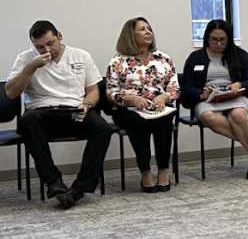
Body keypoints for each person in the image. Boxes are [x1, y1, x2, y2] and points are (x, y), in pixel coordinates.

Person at [5, 20, 113, 209]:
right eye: (39, 46)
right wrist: (31, 67)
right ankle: (54, 182)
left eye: (50, 43)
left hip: (74, 109)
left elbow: (93, 91)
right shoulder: (25, 59)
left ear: (59, 36)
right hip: (42, 112)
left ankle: (80, 188)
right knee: (28, 121)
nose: (46, 49)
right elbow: (11, 93)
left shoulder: (80, 55)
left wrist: (87, 105)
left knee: (102, 128)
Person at [179, 19, 248, 180]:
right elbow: (186, 87)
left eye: (222, 40)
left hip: (236, 97)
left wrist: (239, 84)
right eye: (214, 39)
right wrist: (200, 93)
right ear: (207, 38)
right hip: (207, 100)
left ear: (229, 39)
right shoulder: (196, 57)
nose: (218, 43)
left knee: (238, 115)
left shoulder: (240, 55)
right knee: (208, 117)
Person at [106, 17, 179, 192]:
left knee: (164, 119)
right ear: (131, 35)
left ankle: (163, 170)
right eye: (142, 29)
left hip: (157, 108)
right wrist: (128, 98)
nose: (148, 32)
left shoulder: (163, 58)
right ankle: (145, 172)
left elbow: (174, 88)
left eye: (149, 28)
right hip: (129, 109)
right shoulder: (118, 62)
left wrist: (164, 97)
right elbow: (110, 92)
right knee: (137, 122)